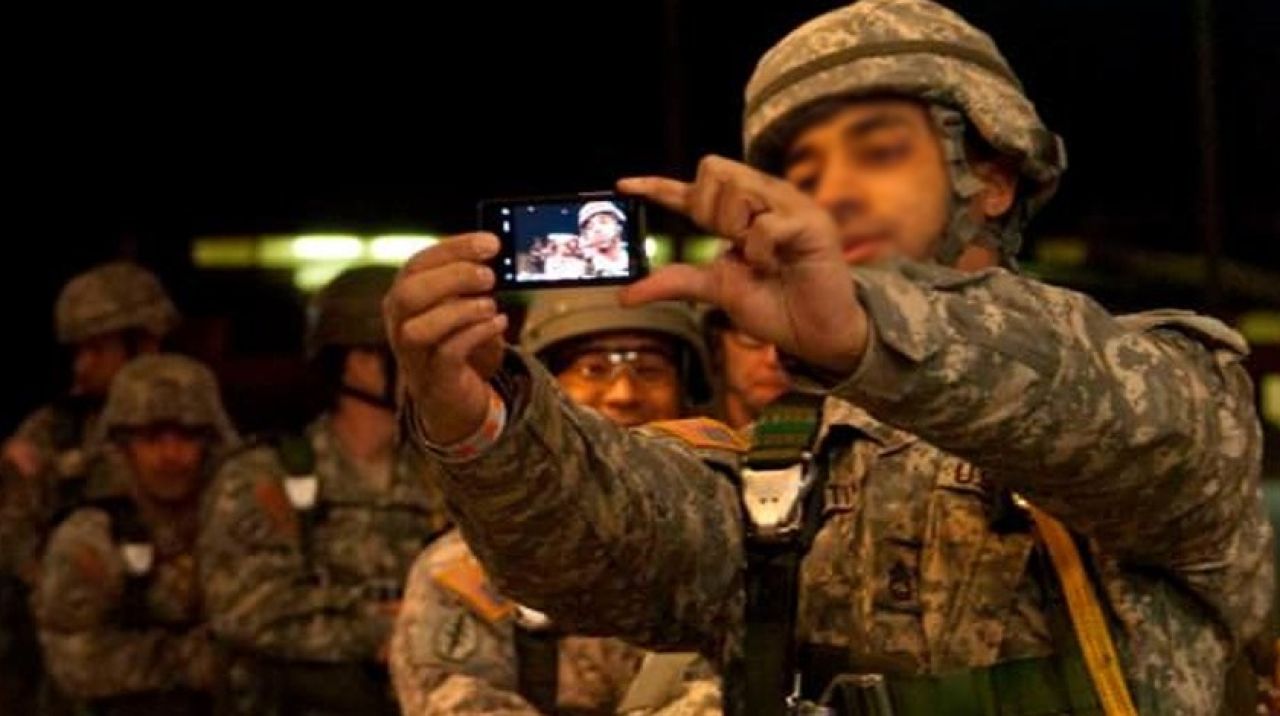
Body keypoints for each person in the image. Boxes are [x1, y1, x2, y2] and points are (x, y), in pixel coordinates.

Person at [383, 1, 1273, 714]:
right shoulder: (782, 459)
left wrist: (866, 328)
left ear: (993, 178)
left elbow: (1126, 427)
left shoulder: (1165, 381)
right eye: (801, 172)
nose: (832, 192)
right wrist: (476, 418)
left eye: (877, 152)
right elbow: (601, 558)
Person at [389, 288, 720, 715]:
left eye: (649, 369)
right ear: (544, 395)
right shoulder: (465, 569)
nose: (623, 393)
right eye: (593, 369)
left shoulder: (731, 549)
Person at [198, 265, 452, 716]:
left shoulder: (442, 476)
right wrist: (378, 631)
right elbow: (244, 609)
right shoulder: (263, 476)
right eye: (406, 354)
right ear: (357, 362)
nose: (425, 370)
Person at [1, 261, 178, 714]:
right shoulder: (55, 431)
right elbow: (17, 547)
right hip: (75, 662)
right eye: (78, 351)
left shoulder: (193, 423)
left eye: (98, 349)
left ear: (145, 342)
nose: (83, 365)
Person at [32, 354, 236, 716]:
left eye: (187, 435)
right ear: (123, 443)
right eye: (152, 437)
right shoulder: (90, 536)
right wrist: (194, 660)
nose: (171, 454)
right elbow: (76, 662)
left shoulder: (232, 523)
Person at [701, 308, 790, 430]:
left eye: (787, 343)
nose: (773, 359)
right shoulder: (684, 435)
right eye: (754, 337)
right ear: (717, 346)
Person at [578, 201, 630, 277]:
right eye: (589, 227)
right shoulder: (581, 271)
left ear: (619, 227)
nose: (597, 230)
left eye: (603, 222)